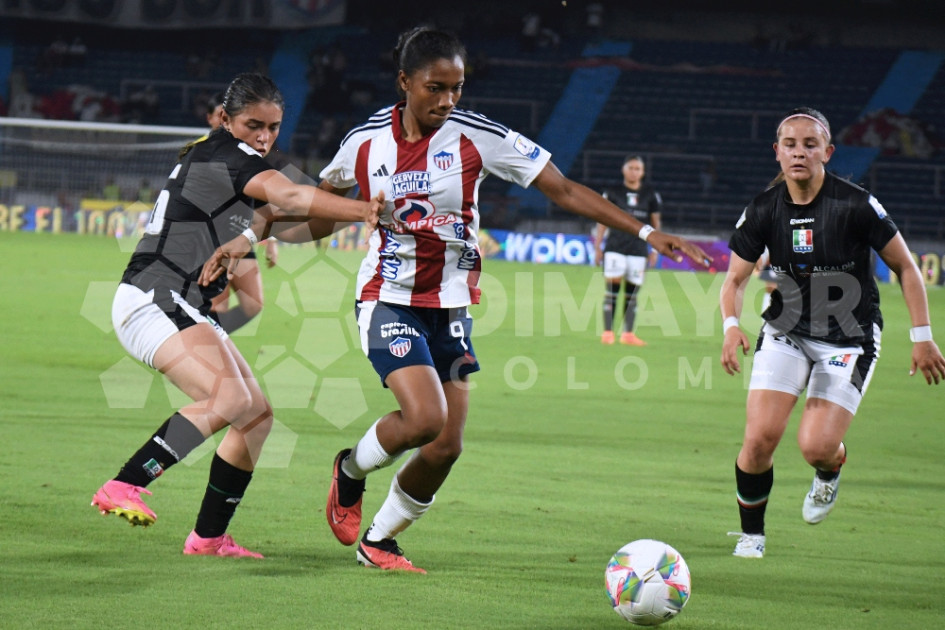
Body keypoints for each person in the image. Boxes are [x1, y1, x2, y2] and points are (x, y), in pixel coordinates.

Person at [203, 26, 710, 574]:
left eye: (457, 88)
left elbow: (561, 189)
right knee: (424, 419)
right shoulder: (365, 141)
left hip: (450, 304)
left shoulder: (478, 137)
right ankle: (350, 470)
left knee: (446, 446)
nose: (447, 100)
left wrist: (645, 232)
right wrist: (250, 237)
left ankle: (379, 543)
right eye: (435, 87)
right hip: (387, 296)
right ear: (405, 82)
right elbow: (319, 212)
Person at [91, 73, 380, 558]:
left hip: (180, 303)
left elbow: (300, 226)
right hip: (153, 296)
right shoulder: (220, 153)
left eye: (273, 127)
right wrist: (368, 210)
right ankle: (126, 483)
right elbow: (289, 198)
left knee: (255, 415)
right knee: (226, 397)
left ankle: (208, 538)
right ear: (225, 119)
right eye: (253, 125)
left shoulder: (240, 163)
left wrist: (336, 200)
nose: (264, 137)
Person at [719, 106, 945, 559]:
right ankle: (752, 536)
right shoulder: (763, 209)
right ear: (777, 153)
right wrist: (730, 327)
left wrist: (922, 336)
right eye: (790, 144)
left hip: (849, 337)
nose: (799, 152)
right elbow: (735, 281)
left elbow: (906, 267)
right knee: (760, 438)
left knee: (816, 447)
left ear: (827, 151)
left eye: (809, 144)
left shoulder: (856, 205)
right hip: (786, 329)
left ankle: (830, 469)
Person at [202, 91, 280, 333]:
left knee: (253, 304)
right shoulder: (202, 152)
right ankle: (203, 355)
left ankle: (211, 344)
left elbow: (260, 200)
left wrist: (270, 239)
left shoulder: (250, 155)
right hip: (216, 238)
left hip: (242, 236)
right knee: (218, 305)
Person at [594, 155, 663, 346]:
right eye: (631, 167)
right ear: (623, 169)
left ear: (643, 172)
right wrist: (598, 247)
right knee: (612, 291)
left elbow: (656, 224)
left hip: (638, 250)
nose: (634, 171)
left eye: (638, 168)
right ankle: (608, 332)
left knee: (632, 294)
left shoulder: (651, 195)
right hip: (615, 247)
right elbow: (602, 220)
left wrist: (655, 250)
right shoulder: (612, 192)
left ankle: (628, 334)